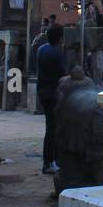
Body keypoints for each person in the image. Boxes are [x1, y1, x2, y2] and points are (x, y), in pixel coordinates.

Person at [36, 24, 67, 175]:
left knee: (50, 128)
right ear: (60, 38)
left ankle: (49, 160)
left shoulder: (42, 49)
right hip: (54, 94)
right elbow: (63, 73)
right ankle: (50, 161)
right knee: (54, 129)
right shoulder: (56, 53)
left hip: (43, 92)